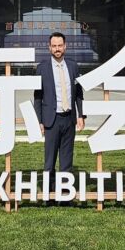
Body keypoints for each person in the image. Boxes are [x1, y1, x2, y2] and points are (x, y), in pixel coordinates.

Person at [33, 32, 84, 182]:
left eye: (60, 45)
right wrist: (39, 121)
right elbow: (38, 97)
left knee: (67, 159)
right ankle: (49, 191)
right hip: (51, 120)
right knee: (49, 160)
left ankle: (65, 191)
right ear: (49, 47)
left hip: (69, 119)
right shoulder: (42, 68)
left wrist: (81, 115)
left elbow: (79, 93)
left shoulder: (73, 66)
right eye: (54, 46)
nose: (57, 49)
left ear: (65, 46)